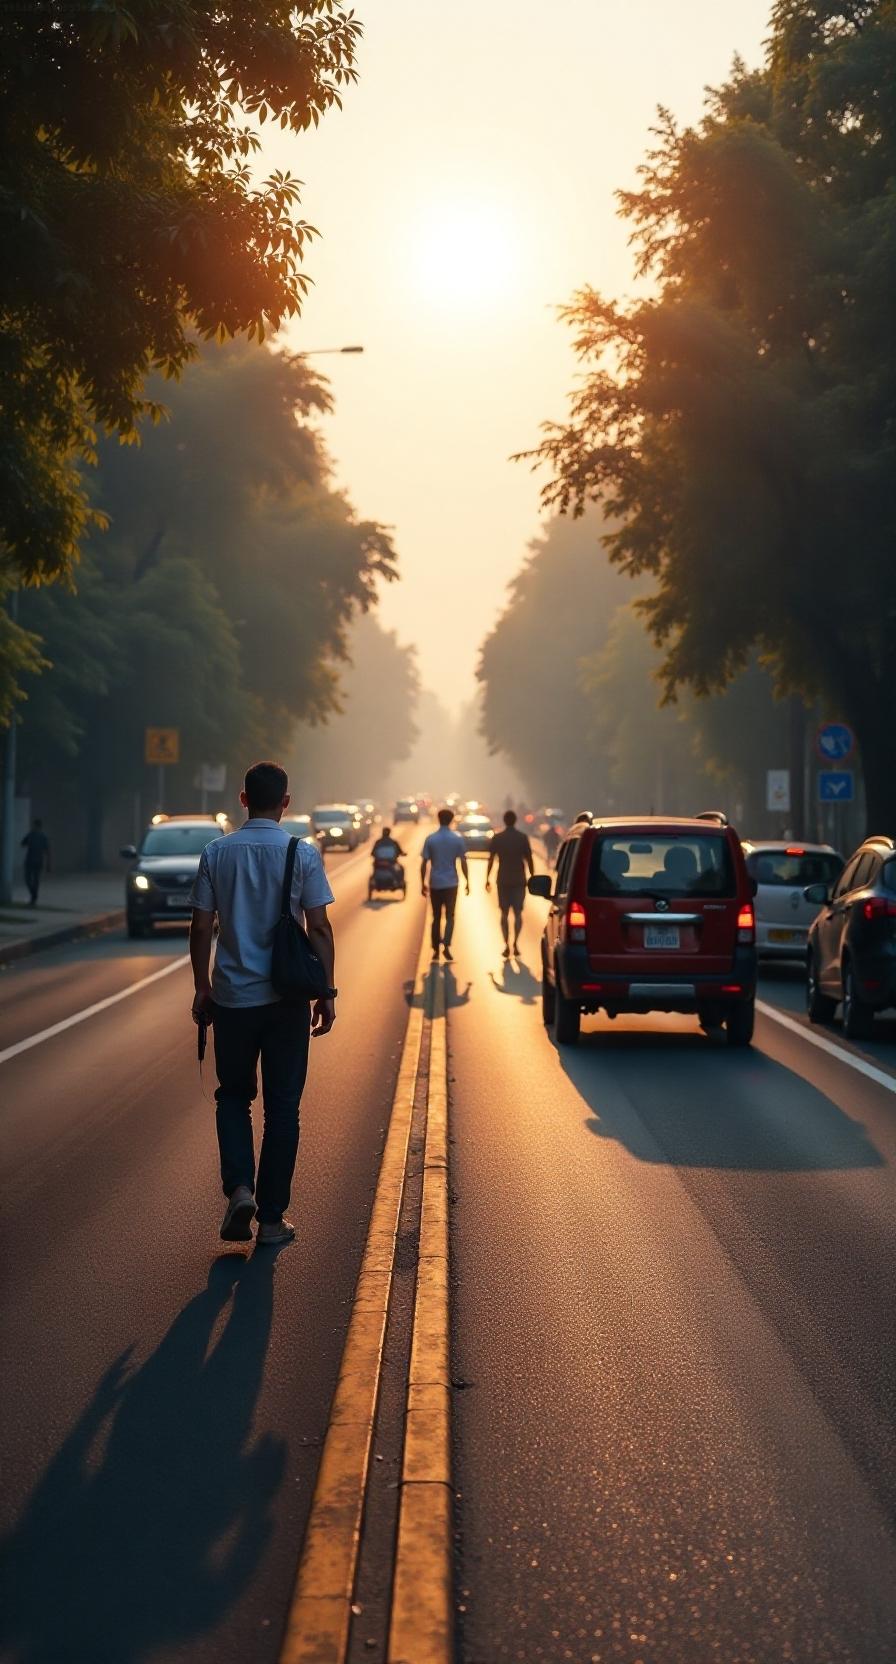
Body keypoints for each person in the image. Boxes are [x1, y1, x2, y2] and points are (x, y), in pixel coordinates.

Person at [189, 761, 336, 1247]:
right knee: (283, 1110)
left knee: (233, 1096)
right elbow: (317, 927)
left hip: (232, 999)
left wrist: (202, 986)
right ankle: (271, 1220)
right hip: (286, 1001)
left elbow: (202, 926)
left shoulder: (216, 852)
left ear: (243, 798)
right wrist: (327, 992)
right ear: (287, 802)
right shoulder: (303, 854)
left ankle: (239, 1189)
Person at [420, 806, 469, 962]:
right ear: (451, 820)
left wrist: (423, 882)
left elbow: (424, 863)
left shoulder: (431, 839)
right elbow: (463, 861)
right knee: (450, 916)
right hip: (451, 882)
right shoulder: (457, 838)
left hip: (435, 882)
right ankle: (446, 945)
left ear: (438, 819)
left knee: (435, 917)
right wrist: (468, 881)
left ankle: (435, 949)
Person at [485, 809, 535, 958]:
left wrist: (486, 878)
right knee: (518, 913)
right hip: (519, 880)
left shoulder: (498, 838)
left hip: (503, 880)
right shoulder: (522, 838)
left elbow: (491, 859)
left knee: (504, 913)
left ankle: (506, 944)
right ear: (515, 821)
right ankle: (515, 944)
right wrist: (533, 876)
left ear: (504, 820)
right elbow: (529, 858)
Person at [21, 818, 51, 906]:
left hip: (36, 861)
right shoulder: (31, 835)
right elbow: (23, 843)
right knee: (28, 879)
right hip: (31, 861)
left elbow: (48, 851)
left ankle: (33, 898)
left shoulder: (42, 837)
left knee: (35, 880)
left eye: (34, 825)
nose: (33, 827)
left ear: (38, 826)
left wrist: (48, 864)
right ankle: (33, 895)